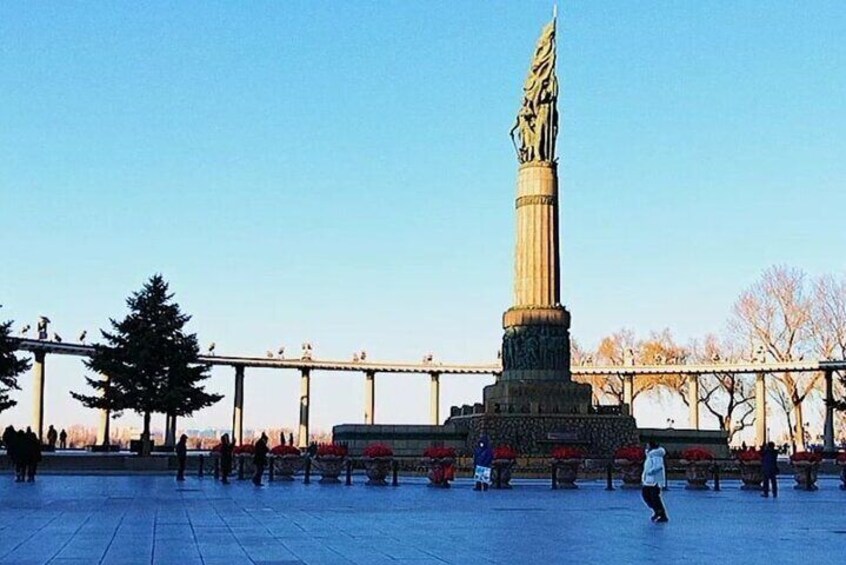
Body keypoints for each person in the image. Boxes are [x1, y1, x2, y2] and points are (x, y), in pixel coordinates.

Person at [641, 441, 668, 523]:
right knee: (646, 496)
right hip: (648, 481)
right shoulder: (649, 456)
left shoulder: (656, 455)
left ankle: (661, 514)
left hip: (655, 481)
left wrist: (650, 472)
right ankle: (657, 511)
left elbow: (658, 466)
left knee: (655, 498)